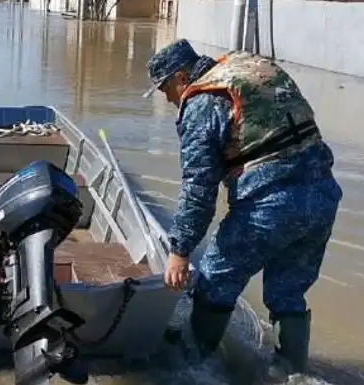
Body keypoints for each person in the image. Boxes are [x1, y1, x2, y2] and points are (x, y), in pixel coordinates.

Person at [143, 39, 342, 376]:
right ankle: (291, 373)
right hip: (323, 195)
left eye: (165, 89)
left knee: (214, 280)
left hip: (270, 204)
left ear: (181, 76)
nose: (167, 98)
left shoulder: (202, 102)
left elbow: (199, 187)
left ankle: (195, 366)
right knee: (288, 295)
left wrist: (180, 250)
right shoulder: (244, 67)